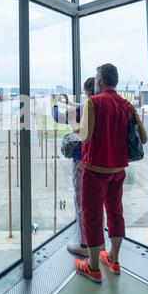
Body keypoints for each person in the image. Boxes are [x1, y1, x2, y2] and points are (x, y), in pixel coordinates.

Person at [74, 64, 147, 283]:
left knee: (93, 216)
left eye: (97, 78)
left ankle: (94, 267)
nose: (95, 81)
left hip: (95, 169)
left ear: (101, 81)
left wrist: (75, 126)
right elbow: (142, 139)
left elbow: (85, 137)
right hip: (118, 170)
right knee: (116, 212)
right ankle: (114, 259)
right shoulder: (126, 104)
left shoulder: (93, 102)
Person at [52, 78, 95, 258]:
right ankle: (97, 241)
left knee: (81, 202)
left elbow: (59, 117)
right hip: (102, 161)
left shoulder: (87, 108)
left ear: (88, 93)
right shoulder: (105, 105)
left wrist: (54, 104)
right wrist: (69, 103)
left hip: (83, 160)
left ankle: (85, 244)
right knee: (97, 203)